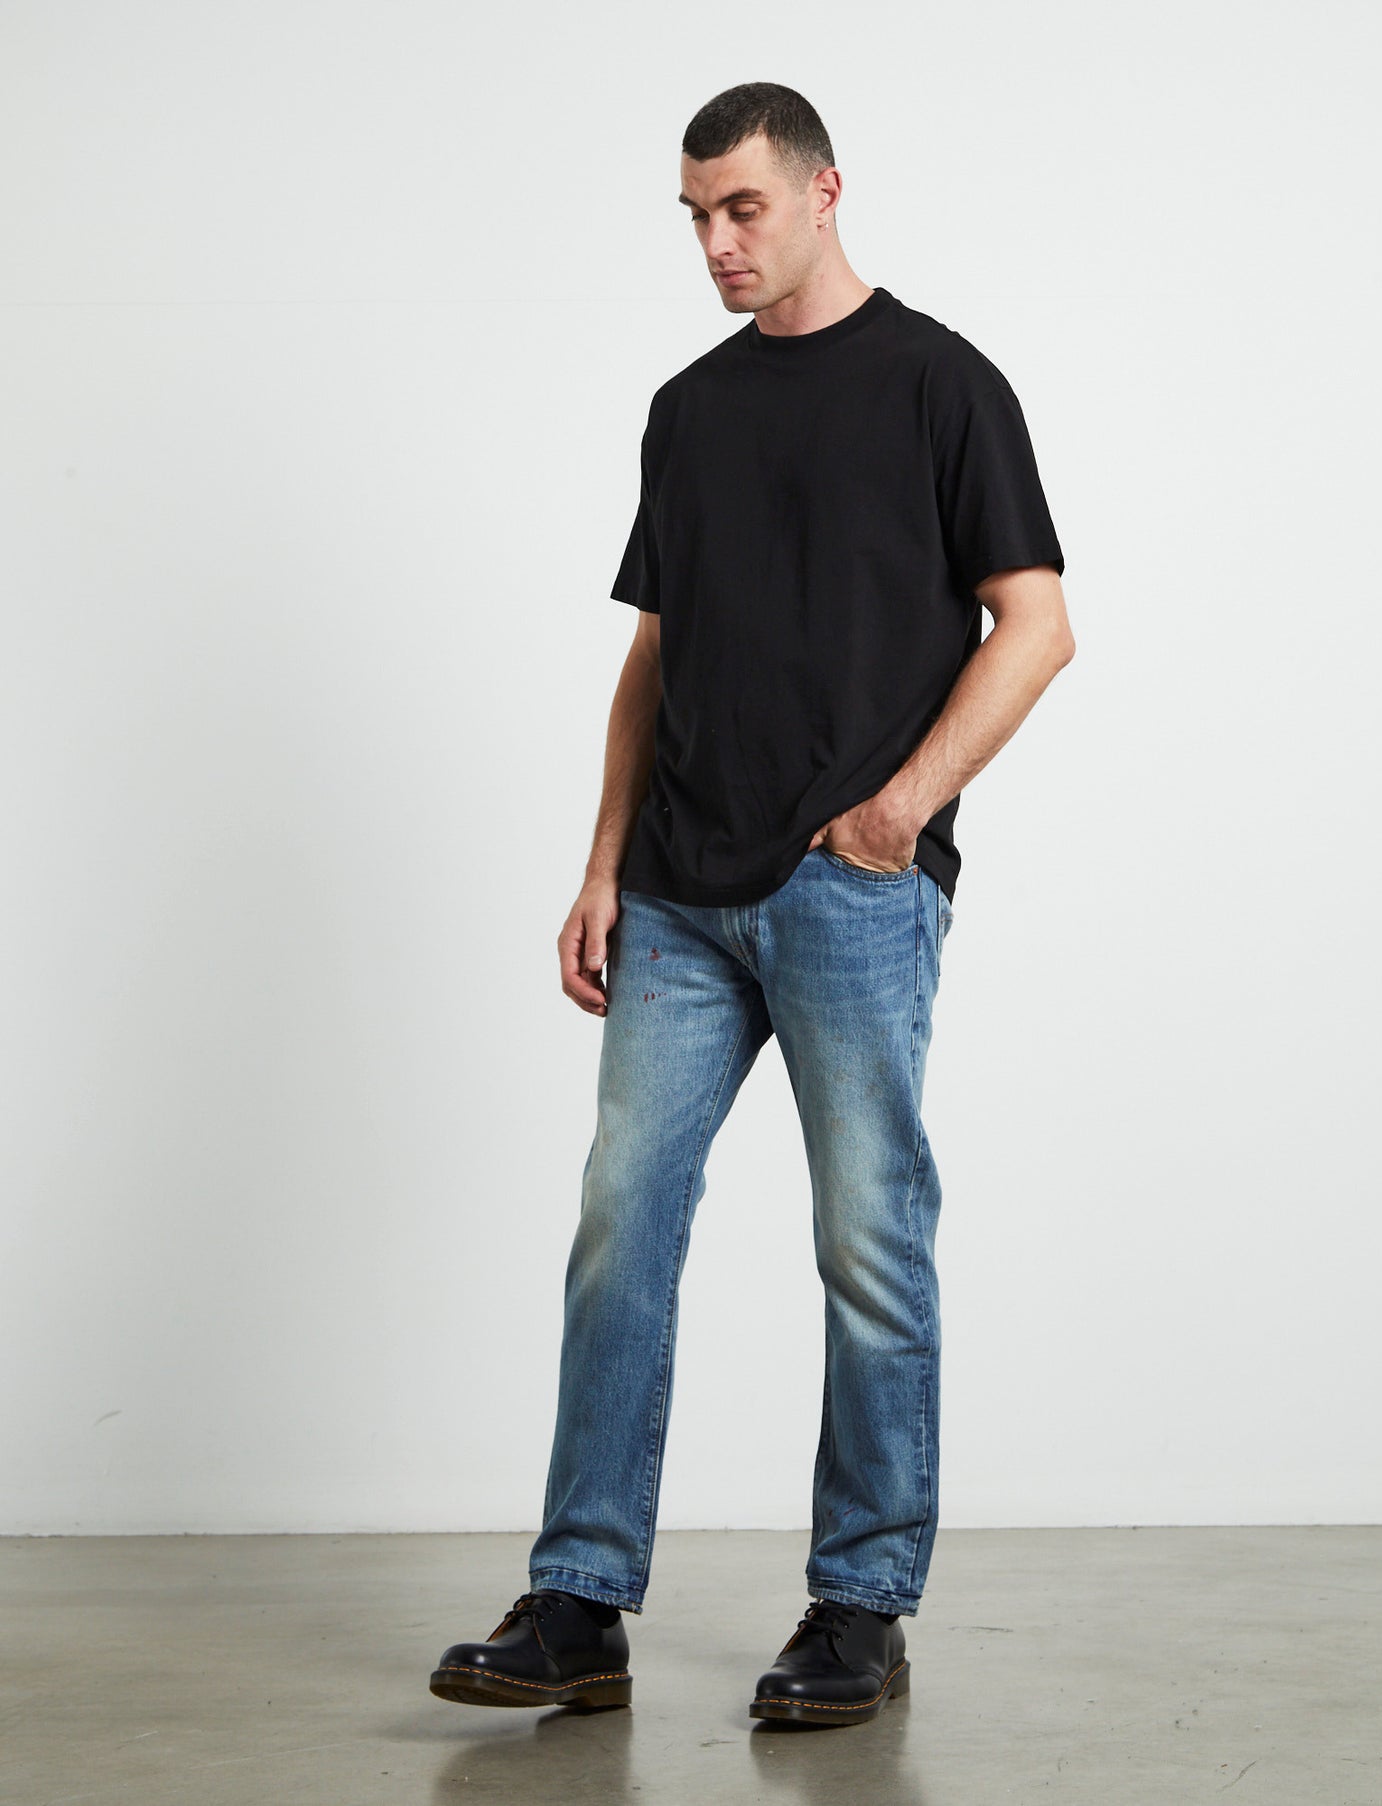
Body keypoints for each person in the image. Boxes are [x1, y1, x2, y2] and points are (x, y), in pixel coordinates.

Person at [430, 80, 1074, 1729]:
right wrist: (600, 865)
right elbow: (653, 652)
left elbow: (1036, 624)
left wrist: (900, 811)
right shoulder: (689, 409)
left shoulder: (941, 384)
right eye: (695, 216)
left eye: (742, 209)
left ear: (821, 193)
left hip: (846, 891)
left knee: (868, 1240)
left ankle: (860, 1602)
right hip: (676, 894)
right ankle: (579, 1599)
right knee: (619, 1221)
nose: (717, 242)